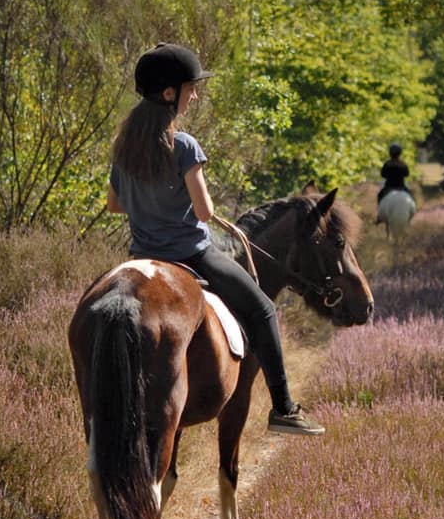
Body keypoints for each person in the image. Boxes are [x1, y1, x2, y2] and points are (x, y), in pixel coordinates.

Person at [107, 42, 325, 436]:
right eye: (191, 88)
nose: (194, 95)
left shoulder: (123, 147)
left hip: (141, 258)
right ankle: (284, 408)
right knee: (263, 309)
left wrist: (149, 206)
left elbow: (115, 205)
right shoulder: (184, 145)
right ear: (170, 93)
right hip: (191, 255)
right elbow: (205, 211)